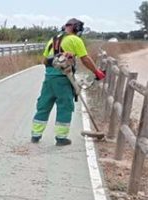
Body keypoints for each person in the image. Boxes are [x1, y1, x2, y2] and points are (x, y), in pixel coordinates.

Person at [31, 18, 105, 146]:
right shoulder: (76, 40)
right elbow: (85, 59)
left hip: (48, 79)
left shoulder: (52, 40)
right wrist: (97, 72)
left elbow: (44, 61)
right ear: (76, 28)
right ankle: (61, 138)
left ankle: (35, 135)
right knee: (65, 106)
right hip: (64, 79)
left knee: (43, 106)